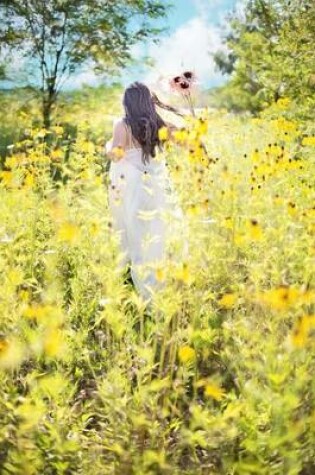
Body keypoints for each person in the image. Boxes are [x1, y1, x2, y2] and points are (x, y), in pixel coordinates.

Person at [105, 81, 188, 308]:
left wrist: (107, 148)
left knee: (137, 237)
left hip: (133, 191)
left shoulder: (121, 125)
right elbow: (188, 142)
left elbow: (116, 154)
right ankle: (166, 284)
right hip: (157, 189)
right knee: (158, 235)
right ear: (148, 103)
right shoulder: (159, 125)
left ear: (127, 103)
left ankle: (146, 294)